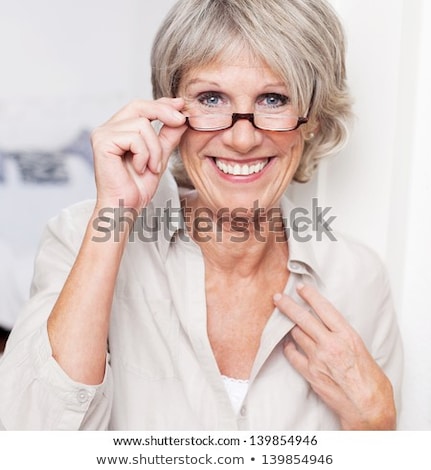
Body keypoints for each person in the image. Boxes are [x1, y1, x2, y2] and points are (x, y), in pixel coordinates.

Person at [0, 0, 402, 430]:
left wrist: (376, 424)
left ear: (313, 121)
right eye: (211, 98)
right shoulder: (81, 237)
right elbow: (30, 441)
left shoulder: (358, 280)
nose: (243, 139)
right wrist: (114, 216)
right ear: (170, 112)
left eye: (274, 98)